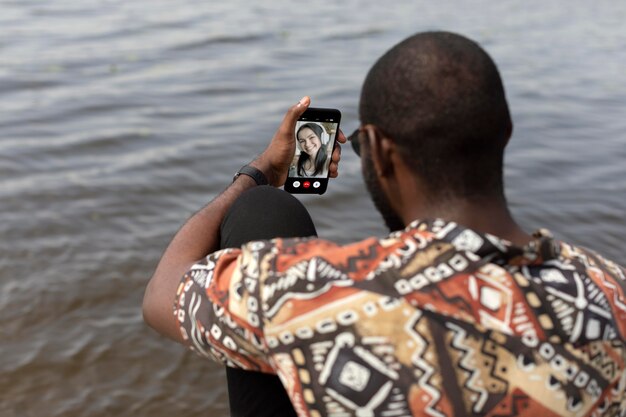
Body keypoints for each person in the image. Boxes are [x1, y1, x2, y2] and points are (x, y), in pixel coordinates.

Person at [143, 31, 626, 417]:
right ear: (505, 134)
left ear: (379, 150)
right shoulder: (610, 290)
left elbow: (162, 293)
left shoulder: (315, 295)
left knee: (264, 212)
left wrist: (260, 172)